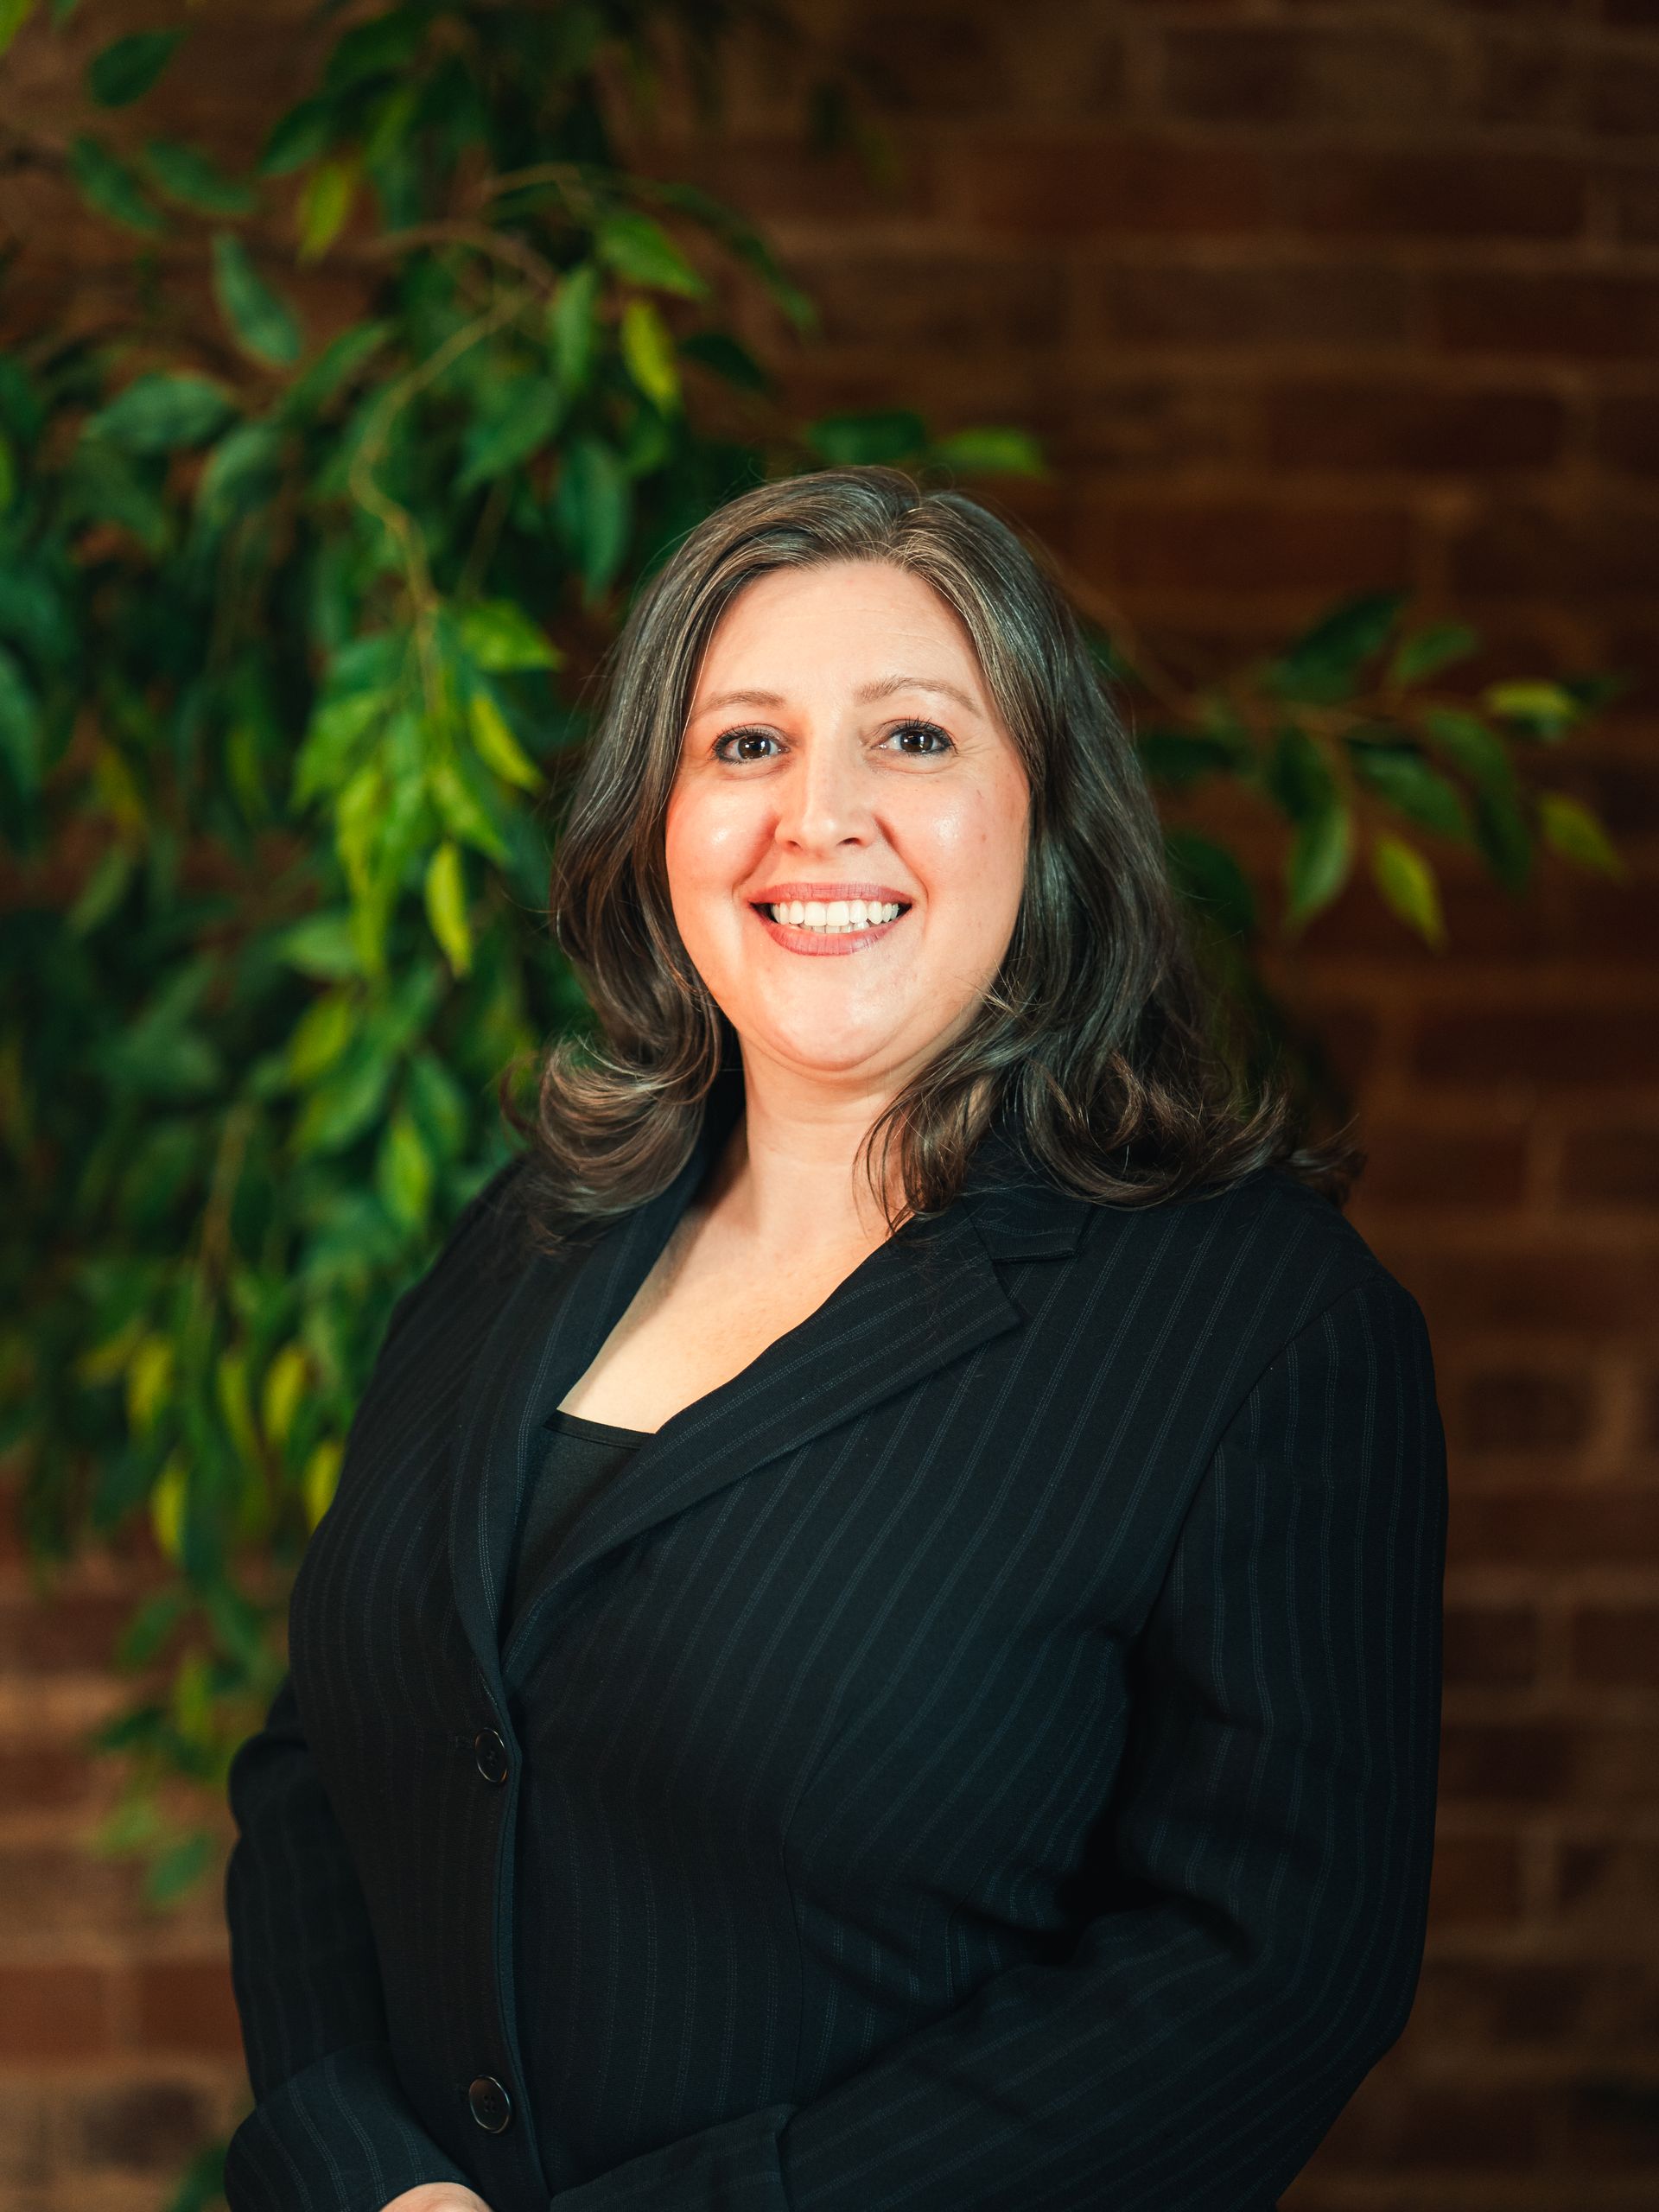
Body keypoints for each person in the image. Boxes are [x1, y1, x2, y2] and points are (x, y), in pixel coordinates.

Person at [222, 467, 1447, 2212]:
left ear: (1044, 811)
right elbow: (317, 1756)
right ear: (658, 816)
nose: (823, 815)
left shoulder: (1260, 1325)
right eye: (744, 745)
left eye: (917, 740)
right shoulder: (533, 1227)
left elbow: (1263, 1975)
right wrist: (372, 2181)